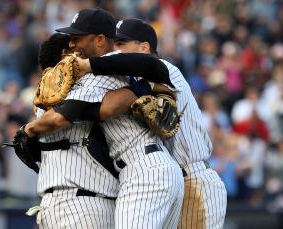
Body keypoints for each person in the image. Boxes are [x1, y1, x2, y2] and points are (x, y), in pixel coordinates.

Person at [25, 8, 184, 229]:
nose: (73, 46)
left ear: (100, 40)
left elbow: (73, 114)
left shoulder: (102, 68)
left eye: (77, 38)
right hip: (158, 167)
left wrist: (29, 130)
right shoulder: (117, 66)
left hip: (142, 172)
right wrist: (144, 86)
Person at [76, 18, 228, 229]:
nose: (115, 50)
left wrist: (87, 65)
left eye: (121, 44)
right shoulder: (139, 82)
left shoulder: (165, 69)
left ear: (144, 47)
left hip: (193, 179)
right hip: (175, 182)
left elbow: (127, 63)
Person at [25, 25, 119, 228]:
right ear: (65, 56)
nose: (80, 56)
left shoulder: (41, 105)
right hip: (86, 206)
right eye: (74, 50)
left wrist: (28, 129)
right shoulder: (86, 89)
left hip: (52, 205)